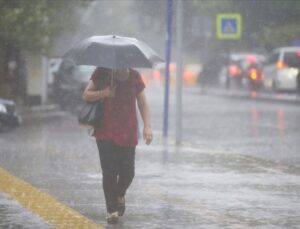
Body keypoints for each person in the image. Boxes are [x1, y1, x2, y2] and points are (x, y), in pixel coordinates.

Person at [82, 67, 153, 224]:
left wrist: (147, 126)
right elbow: (86, 95)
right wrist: (104, 93)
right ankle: (111, 210)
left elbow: (142, 103)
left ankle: (119, 194)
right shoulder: (102, 72)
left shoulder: (134, 76)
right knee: (109, 172)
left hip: (128, 131)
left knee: (128, 172)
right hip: (105, 131)